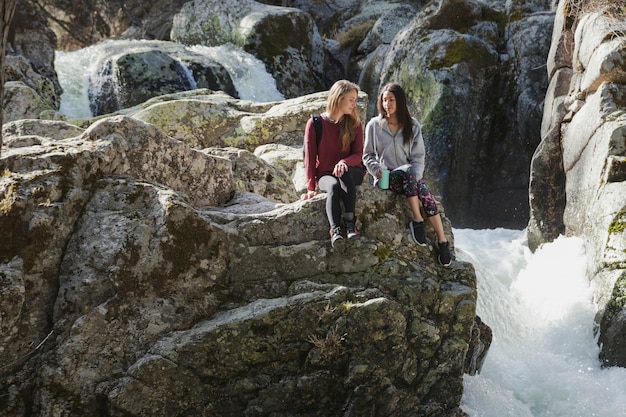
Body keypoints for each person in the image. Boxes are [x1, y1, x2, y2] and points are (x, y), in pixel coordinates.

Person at [362, 82, 451, 266]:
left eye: (391, 100)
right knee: (410, 173)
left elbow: (418, 158)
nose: (387, 104)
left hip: (409, 180)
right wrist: (376, 170)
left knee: (425, 193)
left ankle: (443, 242)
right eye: (384, 100)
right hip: (386, 180)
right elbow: (367, 155)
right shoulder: (373, 125)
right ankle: (417, 220)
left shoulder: (413, 126)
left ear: (400, 101)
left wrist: (415, 179)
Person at [301, 80, 365, 248]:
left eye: (355, 100)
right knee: (334, 186)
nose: (354, 104)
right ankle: (335, 230)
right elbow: (310, 156)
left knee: (343, 172)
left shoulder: (355, 124)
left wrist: (344, 162)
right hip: (326, 175)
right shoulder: (315, 123)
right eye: (351, 99)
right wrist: (310, 187)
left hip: (352, 171)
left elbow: (359, 154)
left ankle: (350, 223)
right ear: (339, 98)